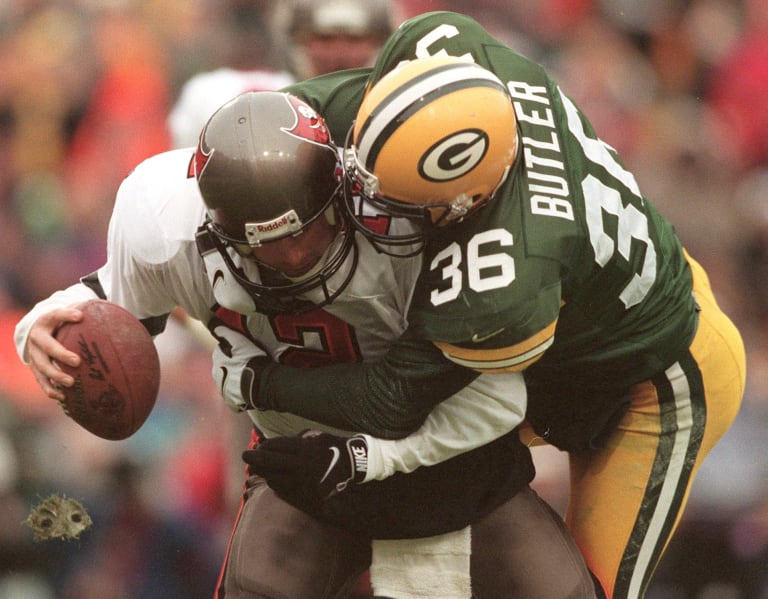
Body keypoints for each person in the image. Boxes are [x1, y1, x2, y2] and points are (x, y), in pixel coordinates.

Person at [225, 12, 747, 599]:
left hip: (651, 380)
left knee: (587, 590)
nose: (367, 215)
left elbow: (392, 401)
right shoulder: (444, 47)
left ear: (466, 202)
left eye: (398, 205)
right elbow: (326, 109)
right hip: (585, 310)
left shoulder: (507, 276)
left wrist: (260, 384)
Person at [14, 91, 596, 598]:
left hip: (457, 469)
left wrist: (362, 459)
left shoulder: (414, 214)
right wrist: (38, 327)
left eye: (307, 229)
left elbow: (494, 402)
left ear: (344, 187)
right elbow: (111, 305)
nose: (295, 258)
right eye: (266, 245)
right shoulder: (164, 222)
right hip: (303, 475)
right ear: (215, 227)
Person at [168, 0, 396, 149]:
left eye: (356, 39)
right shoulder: (256, 96)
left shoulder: (398, 106)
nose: (340, 52)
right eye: (324, 38)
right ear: (295, 40)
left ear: (383, 42)